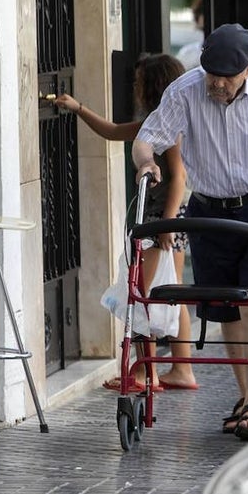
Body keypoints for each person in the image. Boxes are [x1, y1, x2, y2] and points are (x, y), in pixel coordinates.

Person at [132, 23, 248, 440]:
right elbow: (146, 138)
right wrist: (147, 162)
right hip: (210, 210)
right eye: (211, 73)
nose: (216, 83)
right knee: (224, 306)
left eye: (226, 76)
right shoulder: (186, 89)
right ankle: (247, 396)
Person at [53, 53, 199, 393]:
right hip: (170, 221)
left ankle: (144, 373)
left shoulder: (169, 127)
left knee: (140, 296)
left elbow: (178, 177)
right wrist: (78, 108)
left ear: (152, 86)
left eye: (138, 83)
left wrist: (165, 225)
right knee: (171, 293)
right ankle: (182, 368)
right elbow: (115, 131)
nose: (134, 88)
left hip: (162, 222)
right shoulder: (156, 122)